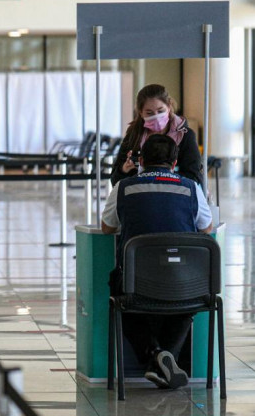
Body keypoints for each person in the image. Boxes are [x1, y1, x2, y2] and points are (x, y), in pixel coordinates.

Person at [101, 135, 213, 389]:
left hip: (135, 284)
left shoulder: (124, 187)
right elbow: (206, 229)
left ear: (141, 160)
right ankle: (166, 358)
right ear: (174, 162)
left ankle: (155, 356)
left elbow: (107, 228)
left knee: (122, 298)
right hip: (184, 283)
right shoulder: (190, 187)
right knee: (188, 300)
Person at [110, 84, 203, 186]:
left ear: (169, 106)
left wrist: (165, 179)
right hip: (141, 196)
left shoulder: (185, 136)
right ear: (140, 112)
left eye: (160, 111)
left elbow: (194, 176)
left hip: (175, 196)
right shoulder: (134, 136)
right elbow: (115, 180)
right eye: (149, 113)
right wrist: (124, 169)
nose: (156, 117)